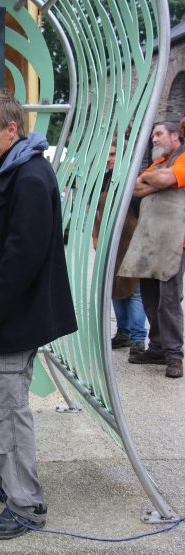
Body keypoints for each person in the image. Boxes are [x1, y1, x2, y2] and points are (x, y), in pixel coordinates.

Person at [0, 89, 77, 540]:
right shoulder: (18, 167)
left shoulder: (29, 176)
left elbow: (26, 254)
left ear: (11, 130)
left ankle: (27, 505)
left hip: (10, 319)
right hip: (6, 313)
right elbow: (8, 245)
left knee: (6, 410)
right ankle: (0, 480)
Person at [127, 120, 185, 378]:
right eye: (152, 135)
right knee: (150, 296)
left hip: (175, 242)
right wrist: (154, 179)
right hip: (152, 242)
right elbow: (136, 187)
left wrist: (153, 179)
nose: (154, 139)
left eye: (159, 134)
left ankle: (175, 355)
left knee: (169, 300)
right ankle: (158, 346)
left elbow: (163, 178)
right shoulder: (157, 164)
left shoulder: (182, 160)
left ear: (175, 136)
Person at [92, 141, 147, 354]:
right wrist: (96, 237)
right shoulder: (106, 179)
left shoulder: (133, 178)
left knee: (134, 291)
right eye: (108, 154)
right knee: (114, 289)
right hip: (111, 245)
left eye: (113, 154)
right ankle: (123, 333)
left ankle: (138, 338)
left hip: (131, 242)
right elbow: (95, 213)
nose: (109, 158)